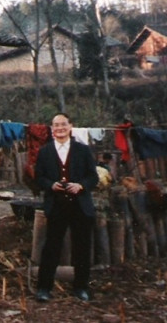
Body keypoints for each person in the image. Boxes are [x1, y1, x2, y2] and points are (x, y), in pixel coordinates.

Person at [35, 113, 99, 303]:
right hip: (57, 206)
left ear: (71, 127)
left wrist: (81, 186)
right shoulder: (45, 152)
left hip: (80, 206)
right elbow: (39, 177)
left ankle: (81, 288)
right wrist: (50, 185)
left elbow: (93, 177)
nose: (60, 128)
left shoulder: (83, 150)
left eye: (63, 124)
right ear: (52, 129)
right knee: (51, 247)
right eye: (56, 125)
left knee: (82, 248)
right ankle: (44, 288)